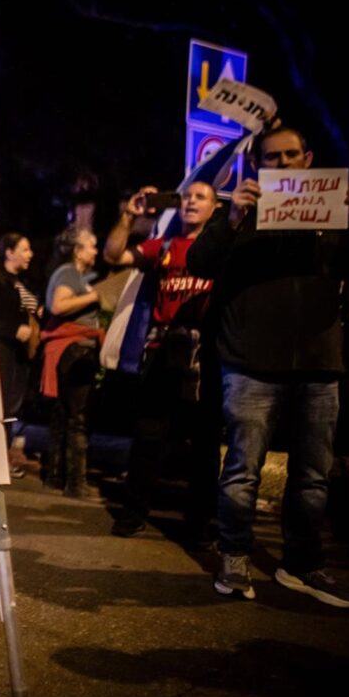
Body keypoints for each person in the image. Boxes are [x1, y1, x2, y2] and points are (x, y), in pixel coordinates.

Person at [189, 124, 349, 607]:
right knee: (242, 470)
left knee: (313, 476)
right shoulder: (240, 217)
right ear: (258, 165)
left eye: (290, 156)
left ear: (308, 158)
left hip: (319, 362)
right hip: (251, 363)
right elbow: (199, 263)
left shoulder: (331, 217)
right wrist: (233, 216)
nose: (282, 165)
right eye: (271, 158)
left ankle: (302, 564)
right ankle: (236, 557)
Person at [103, 183, 221, 543]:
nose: (191, 201)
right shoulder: (166, 246)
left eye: (201, 197)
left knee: (204, 442)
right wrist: (129, 215)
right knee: (148, 435)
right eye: (187, 196)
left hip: (206, 352)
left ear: (215, 208)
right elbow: (113, 256)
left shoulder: (221, 249)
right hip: (165, 348)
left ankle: (199, 524)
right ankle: (133, 513)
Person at [40, 225, 105, 501]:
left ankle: (56, 476)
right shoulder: (67, 273)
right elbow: (58, 306)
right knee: (77, 418)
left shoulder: (77, 275)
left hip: (71, 349)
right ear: (78, 251)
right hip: (73, 349)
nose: (96, 251)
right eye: (91, 245)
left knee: (64, 415)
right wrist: (97, 295)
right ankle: (76, 482)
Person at [0, 233, 41, 479]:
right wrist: (13, 330)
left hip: (17, 357)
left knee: (11, 407)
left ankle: (1, 459)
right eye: (24, 249)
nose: (29, 254)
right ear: (9, 252)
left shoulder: (19, 282)